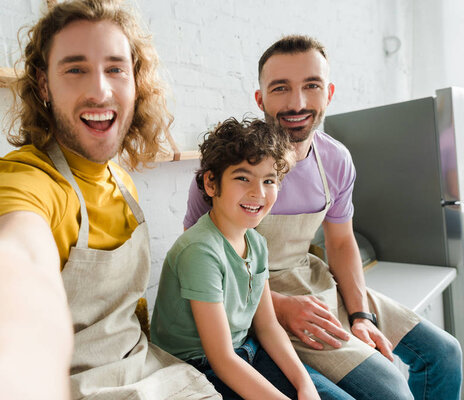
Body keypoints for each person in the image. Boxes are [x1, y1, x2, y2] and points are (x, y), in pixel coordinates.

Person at [0, 1, 221, 399]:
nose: (100, 90)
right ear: (43, 86)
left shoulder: (123, 182)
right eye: (75, 69)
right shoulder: (20, 180)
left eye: (116, 68)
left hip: (146, 369)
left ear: (135, 82)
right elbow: (14, 261)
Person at [183, 35, 463, 400]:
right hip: (250, 296)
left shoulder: (335, 160)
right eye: (280, 88)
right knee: (389, 390)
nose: (296, 103)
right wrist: (280, 308)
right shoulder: (225, 167)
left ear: (328, 93)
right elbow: (205, 258)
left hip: (315, 279)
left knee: (444, 354)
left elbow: (342, 242)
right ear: (260, 98)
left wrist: (361, 314)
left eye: (311, 86)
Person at [151, 117, 331, 399]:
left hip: (246, 350)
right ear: (211, 183)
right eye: (243, 178)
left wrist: (304, 383)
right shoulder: (200, 250)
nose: (257, 192)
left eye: (269, 180)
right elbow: (221, 360)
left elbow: (268, 327)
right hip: (197, 367)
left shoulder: (257, 243)